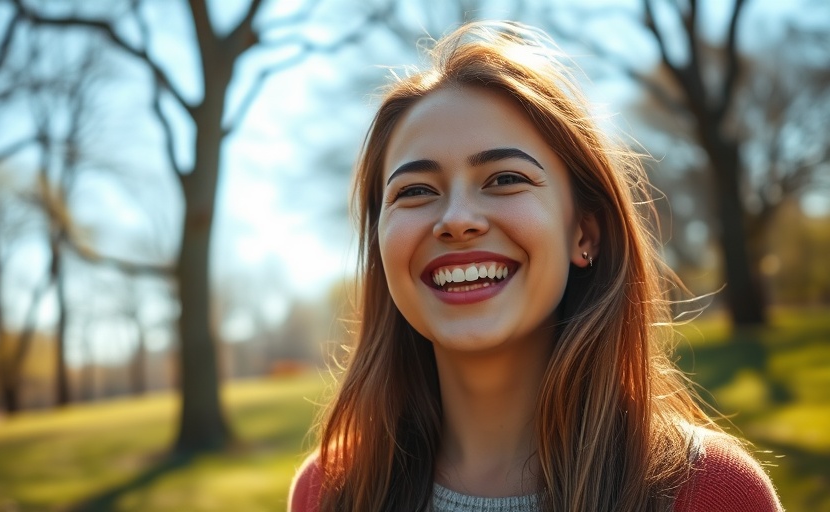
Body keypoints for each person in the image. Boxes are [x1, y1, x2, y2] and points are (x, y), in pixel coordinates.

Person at [289, 20, 783, 512]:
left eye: (504, 178)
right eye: (415, 191)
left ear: (583, 233)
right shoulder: (326, 491)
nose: (457, 220)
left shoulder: (713, 492)